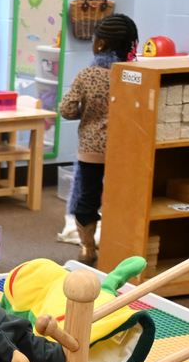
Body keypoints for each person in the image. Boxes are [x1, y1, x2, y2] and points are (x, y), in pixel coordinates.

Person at [59, 13, 139, 265]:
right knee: (121, 195)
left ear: (101, 44)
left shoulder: (87, 75)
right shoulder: (133, 75)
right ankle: (119, 245)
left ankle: (87, 248)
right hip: (125, 148)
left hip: (91, 148)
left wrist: (87, 111)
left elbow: (67, 109)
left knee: (88, 196)